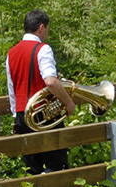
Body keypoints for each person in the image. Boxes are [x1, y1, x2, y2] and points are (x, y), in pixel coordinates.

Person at [6, 9, 75, 175]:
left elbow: (12, 88)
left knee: (32, 168)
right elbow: (50, 82)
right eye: (47, 29)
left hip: (22, 115)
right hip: (44, 115)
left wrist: (16, 115)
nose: (47, 33)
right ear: (41, 27)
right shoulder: (43, 49)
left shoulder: (11, 53)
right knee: (57, 165)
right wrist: (68, 102)